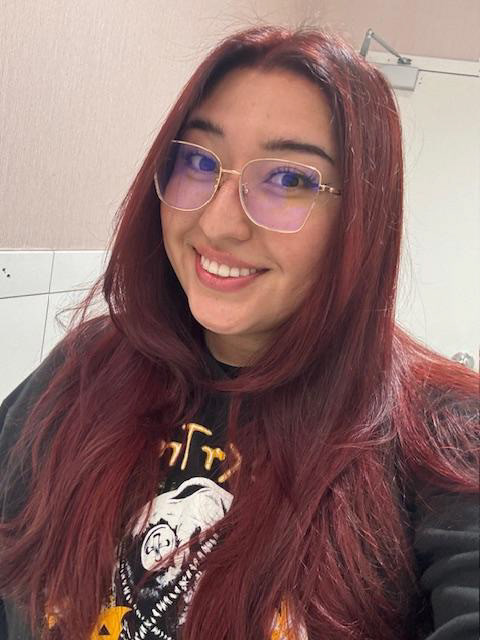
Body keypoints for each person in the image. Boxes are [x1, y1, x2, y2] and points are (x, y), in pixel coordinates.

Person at [0, 23, 478, 640]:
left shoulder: (444, 434)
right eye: (199, 161)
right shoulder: (87, 366)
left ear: (361, 214)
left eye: (290, 179)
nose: (218, 224)